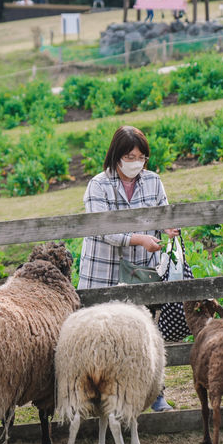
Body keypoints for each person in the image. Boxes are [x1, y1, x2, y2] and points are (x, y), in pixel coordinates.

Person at [77, 125, 189, 412]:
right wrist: (137, 238)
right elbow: (102, 229)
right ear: (116, 156)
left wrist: (168, 227)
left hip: (141, 270)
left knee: (146, 332)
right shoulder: (98, 185)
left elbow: (163, 211)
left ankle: (154, 393)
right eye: (130, 156)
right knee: (101, 333)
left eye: (141, 157)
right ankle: (99, 397)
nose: (135, 162)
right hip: (105, 270)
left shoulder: (153, 181)